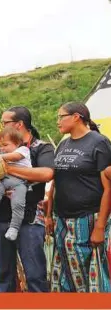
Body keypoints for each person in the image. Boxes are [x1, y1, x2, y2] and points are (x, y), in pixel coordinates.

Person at [0, 106, 54, 292]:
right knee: (4, 275)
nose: (0, 126)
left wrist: (7, 169)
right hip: (1, 219)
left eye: (4, 122)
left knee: (35, 276)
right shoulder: (2, 147)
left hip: (29, 220)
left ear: (19, 124)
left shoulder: (41, 148)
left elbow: (46, 173)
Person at [49, 102, 111, 292]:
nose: (58, 121)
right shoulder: (63, 144)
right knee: (63, 271)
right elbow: (55, 180)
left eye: (61, 116)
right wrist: (48, 214)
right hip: (61, 218)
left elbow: (108, 187)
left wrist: (100, 226)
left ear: (76, 117)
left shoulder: (98, 142)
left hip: (87, 218)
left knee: (88, 271)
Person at [0, 127, 32, 241]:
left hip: (20, 183)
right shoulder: (1, 153)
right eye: (1, 146)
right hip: (3, 181)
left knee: (18, 204)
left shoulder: (23, 150)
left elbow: (15, 157)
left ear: (17, 143)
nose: (2, 148)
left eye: (5, 145)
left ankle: (14, 228)